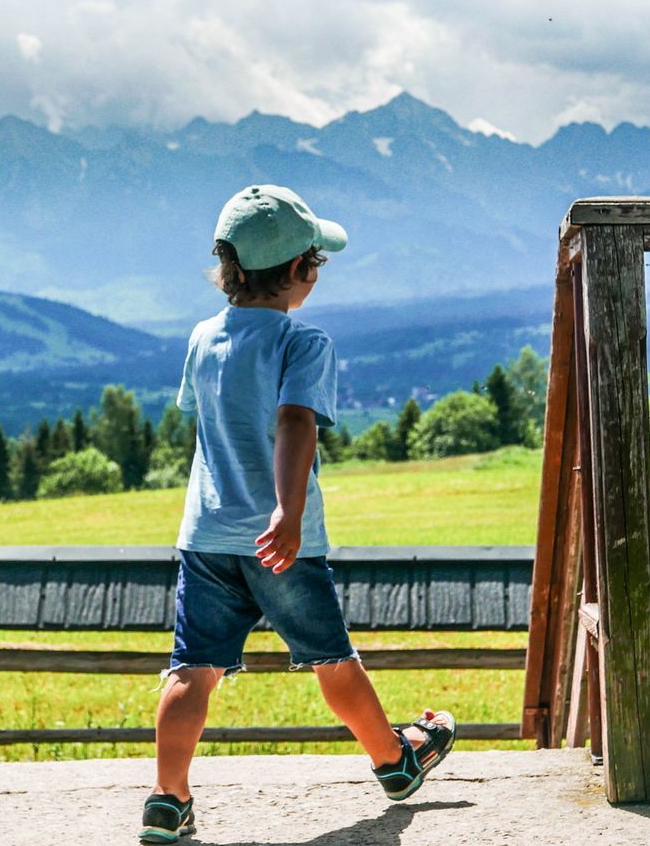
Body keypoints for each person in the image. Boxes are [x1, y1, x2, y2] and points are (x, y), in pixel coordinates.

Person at [138, 185, 455, 845]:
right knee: (332, 659)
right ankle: (395, 762)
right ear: (298, 271)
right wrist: (285, 509)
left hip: (206, 538)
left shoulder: (201, 337)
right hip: (284, 541)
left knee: (191, 669)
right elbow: (293, 421)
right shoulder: (304, 342)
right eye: (317, 261)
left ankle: (167, 798)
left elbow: (214, 424)